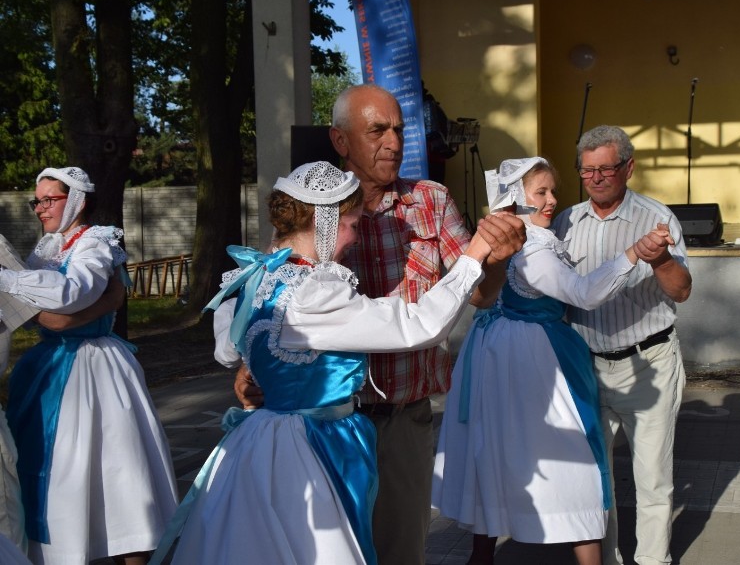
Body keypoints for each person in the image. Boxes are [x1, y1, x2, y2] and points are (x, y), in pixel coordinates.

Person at [235, 83, 525, 565]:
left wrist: (492, 259)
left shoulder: (430, 199)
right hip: (324, 420)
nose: (393, 141)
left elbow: (477, 293)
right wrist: (259, 365)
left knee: (400, 550)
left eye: (399, 129)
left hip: (402, 416)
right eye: (377, 130)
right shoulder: (312, 204)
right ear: (340, 139)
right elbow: (275, 301)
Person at [156, 161, 501, 564]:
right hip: (309, 447)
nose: (355, 237)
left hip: (256, 440)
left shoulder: (254, 278)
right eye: (353, 224)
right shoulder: (313, 293)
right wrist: (473, 255)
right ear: (325, 222)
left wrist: (267, 371)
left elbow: (227, 351)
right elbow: (417, 325)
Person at [432, 157, 673, 565]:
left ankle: (483, 551)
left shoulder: (515, 237)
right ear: (514, 199)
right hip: (531, 358)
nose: (552, 200)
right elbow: (582, 294)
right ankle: (583, 552)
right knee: (572, 454)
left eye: (552, 191)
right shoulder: (531, 248)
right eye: (540, 192)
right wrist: (631, 254)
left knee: (495, 446)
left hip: (496, 350)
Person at [0, 167, 178, 564]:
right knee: (57, 468)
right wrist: (51, 309)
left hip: (94, 368)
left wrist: (11, 283)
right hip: (48, 366)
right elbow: (46, 316)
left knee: (116, 471)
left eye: (49, 199)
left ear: (76, 201)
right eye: (37, 200)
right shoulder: (49, 248)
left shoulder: (96, 243)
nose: (40, 208)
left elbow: (70, 296)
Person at [552, 125, 693, 565]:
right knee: (598, 479)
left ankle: (653, 561)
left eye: (605, 169)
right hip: (587, 366)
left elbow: (682, 290)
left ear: (628, 168)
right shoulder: (565, 221)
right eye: (586, 170)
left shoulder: (658, 218)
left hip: (647, 362)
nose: (595, 178)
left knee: (652, 478)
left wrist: (662, 259)